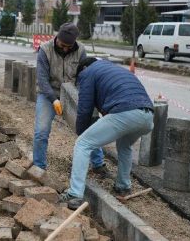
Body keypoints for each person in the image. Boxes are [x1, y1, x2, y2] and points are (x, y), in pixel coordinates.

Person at [59, 57, 154, 209]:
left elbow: (85, 109)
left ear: (84, 68)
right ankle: (123, 186)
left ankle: (74, 194)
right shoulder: (114, 69)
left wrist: (80, 132)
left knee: (82, 144)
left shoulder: (87, 73)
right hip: (147, 116)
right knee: (124, 146)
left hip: (126, 112)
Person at [33, 23, 113, 179]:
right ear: (57, 38)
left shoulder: (80, 50)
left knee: (89, 127)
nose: (64, 49)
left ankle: (98, 164)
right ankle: (39, 167)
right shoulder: (45, 50)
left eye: (68, 47)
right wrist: (54, 100)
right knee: (41, 131)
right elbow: (42, 80)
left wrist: (80, 102)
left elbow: (84, 76)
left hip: (73, 93)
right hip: (49, 94)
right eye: (62, 45)